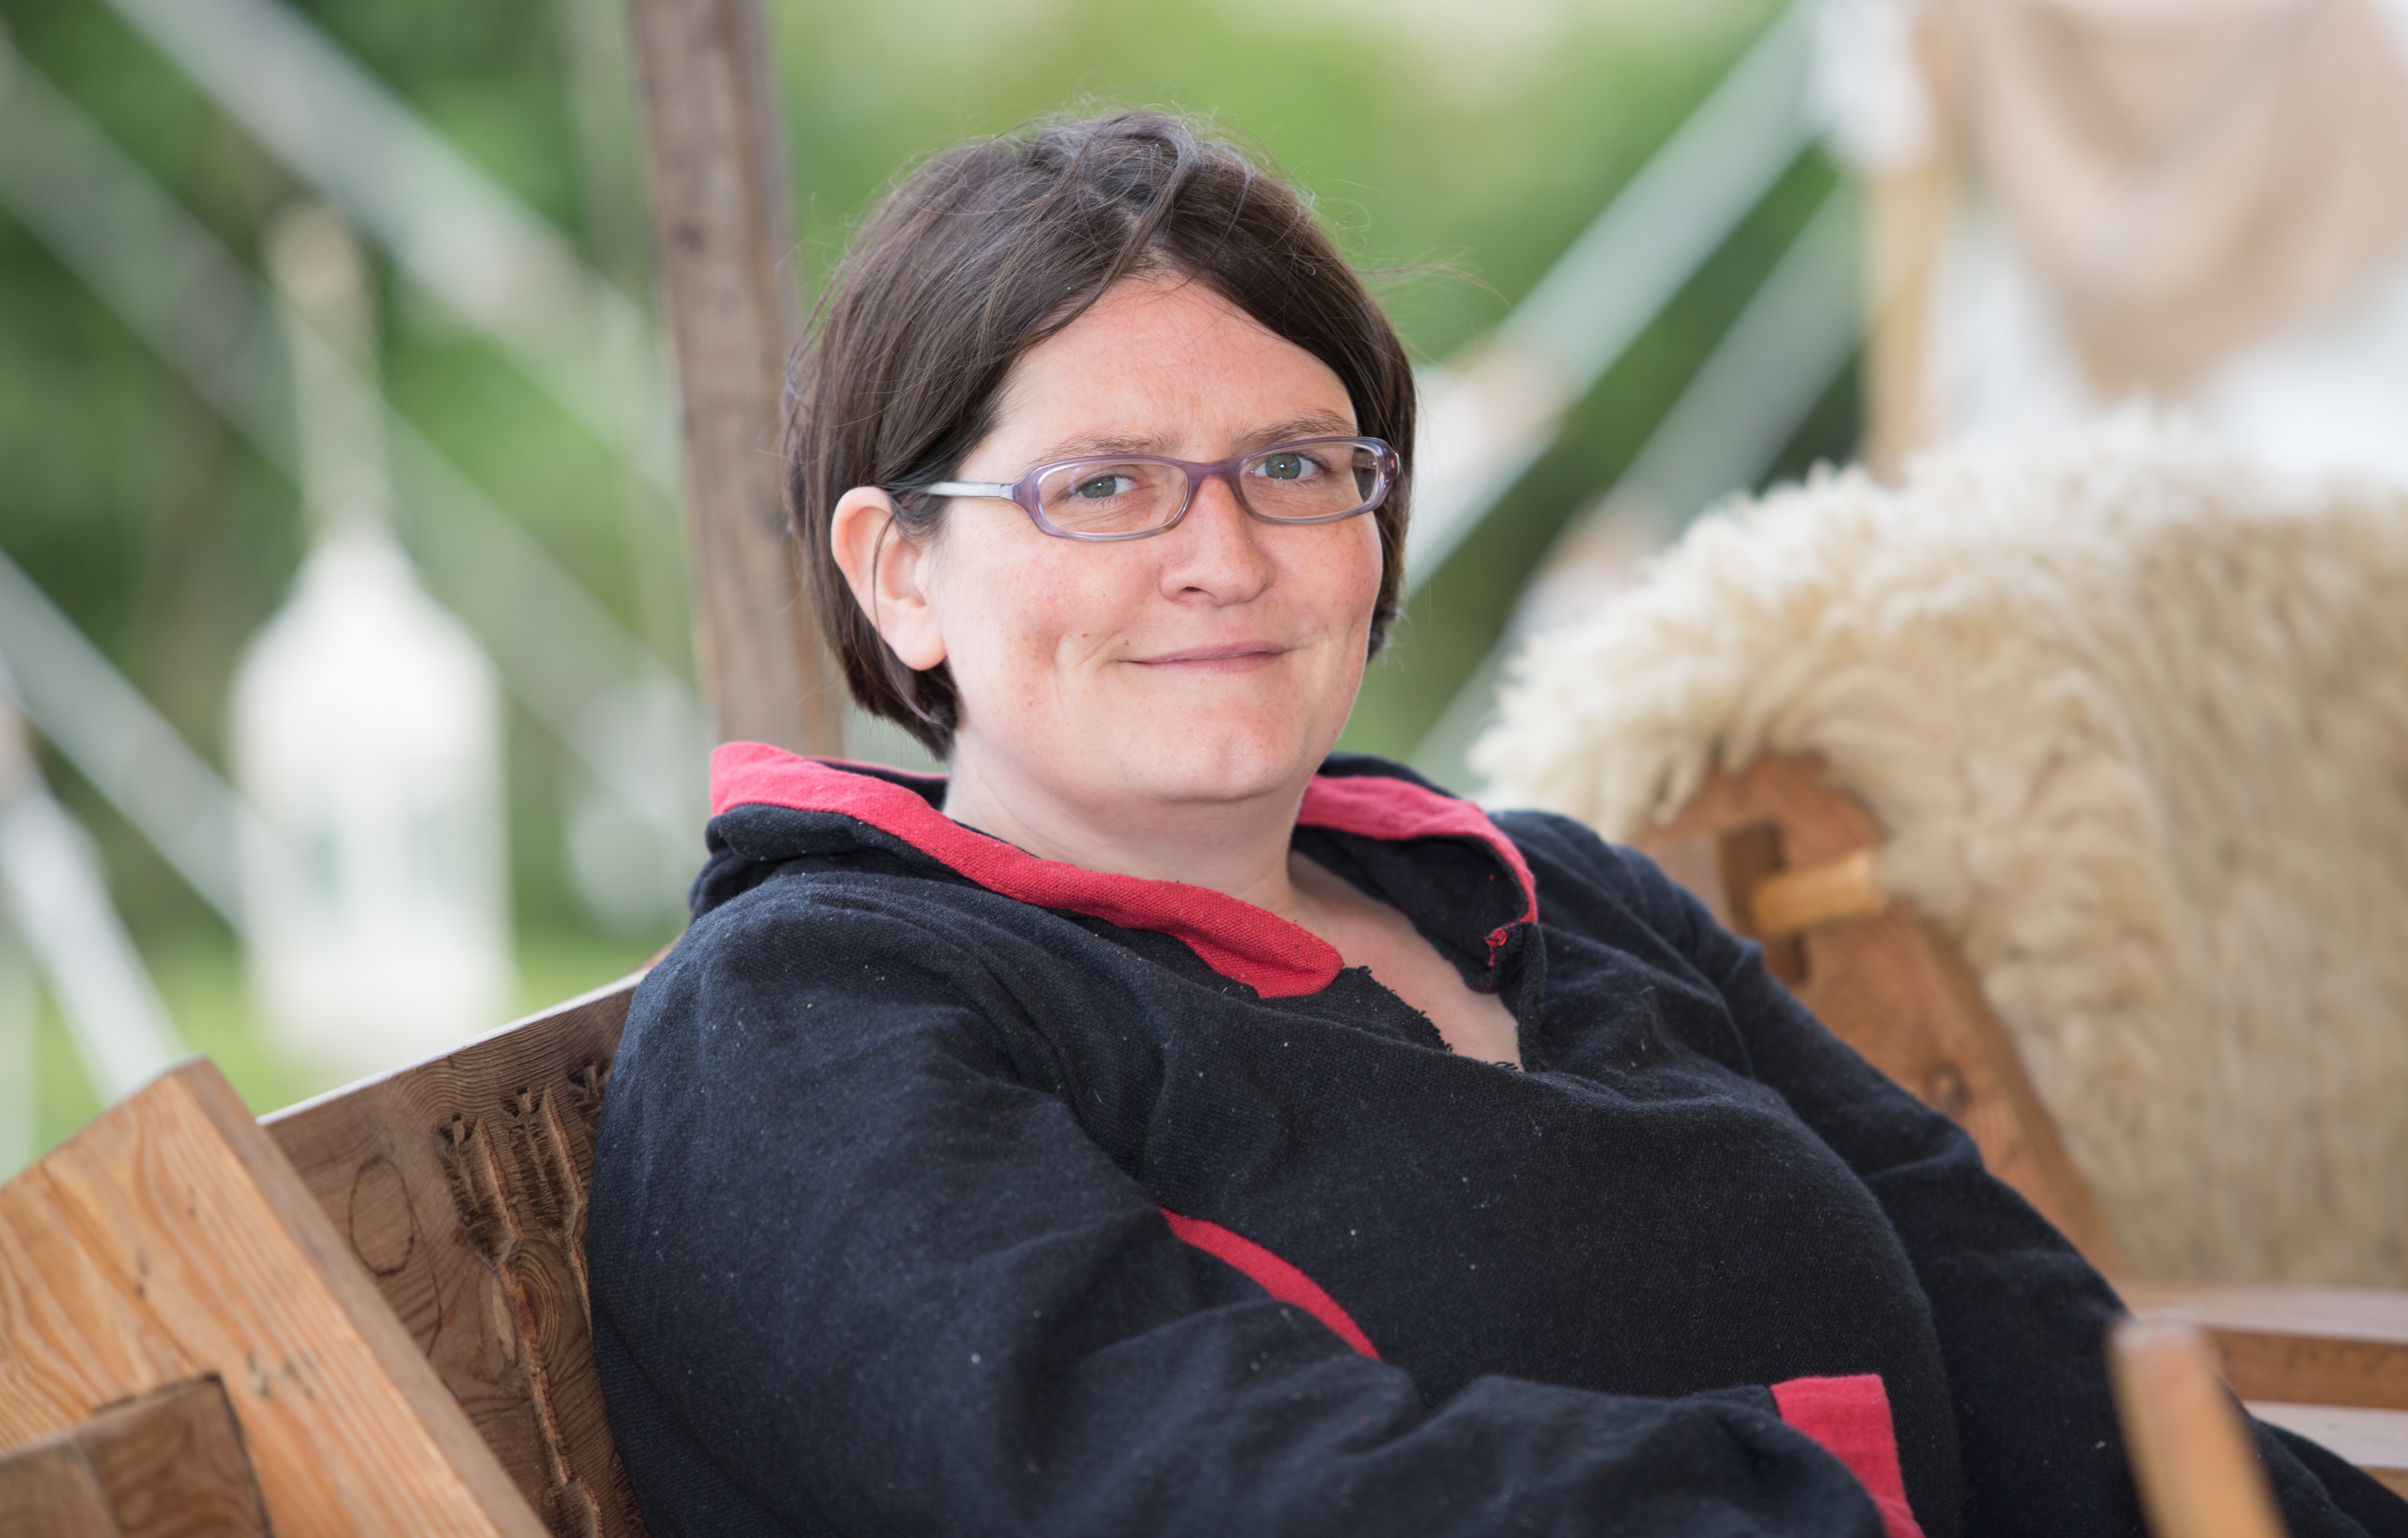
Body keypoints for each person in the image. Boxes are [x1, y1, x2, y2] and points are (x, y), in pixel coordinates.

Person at [584, 109, 2408, 1538]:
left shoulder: (1552, 897)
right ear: (899, 571)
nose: (1224, 556)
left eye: (1296, 467)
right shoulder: (813, 1018)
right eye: (1107, 486)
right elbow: (1177, 1489)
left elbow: (2011, 1322)